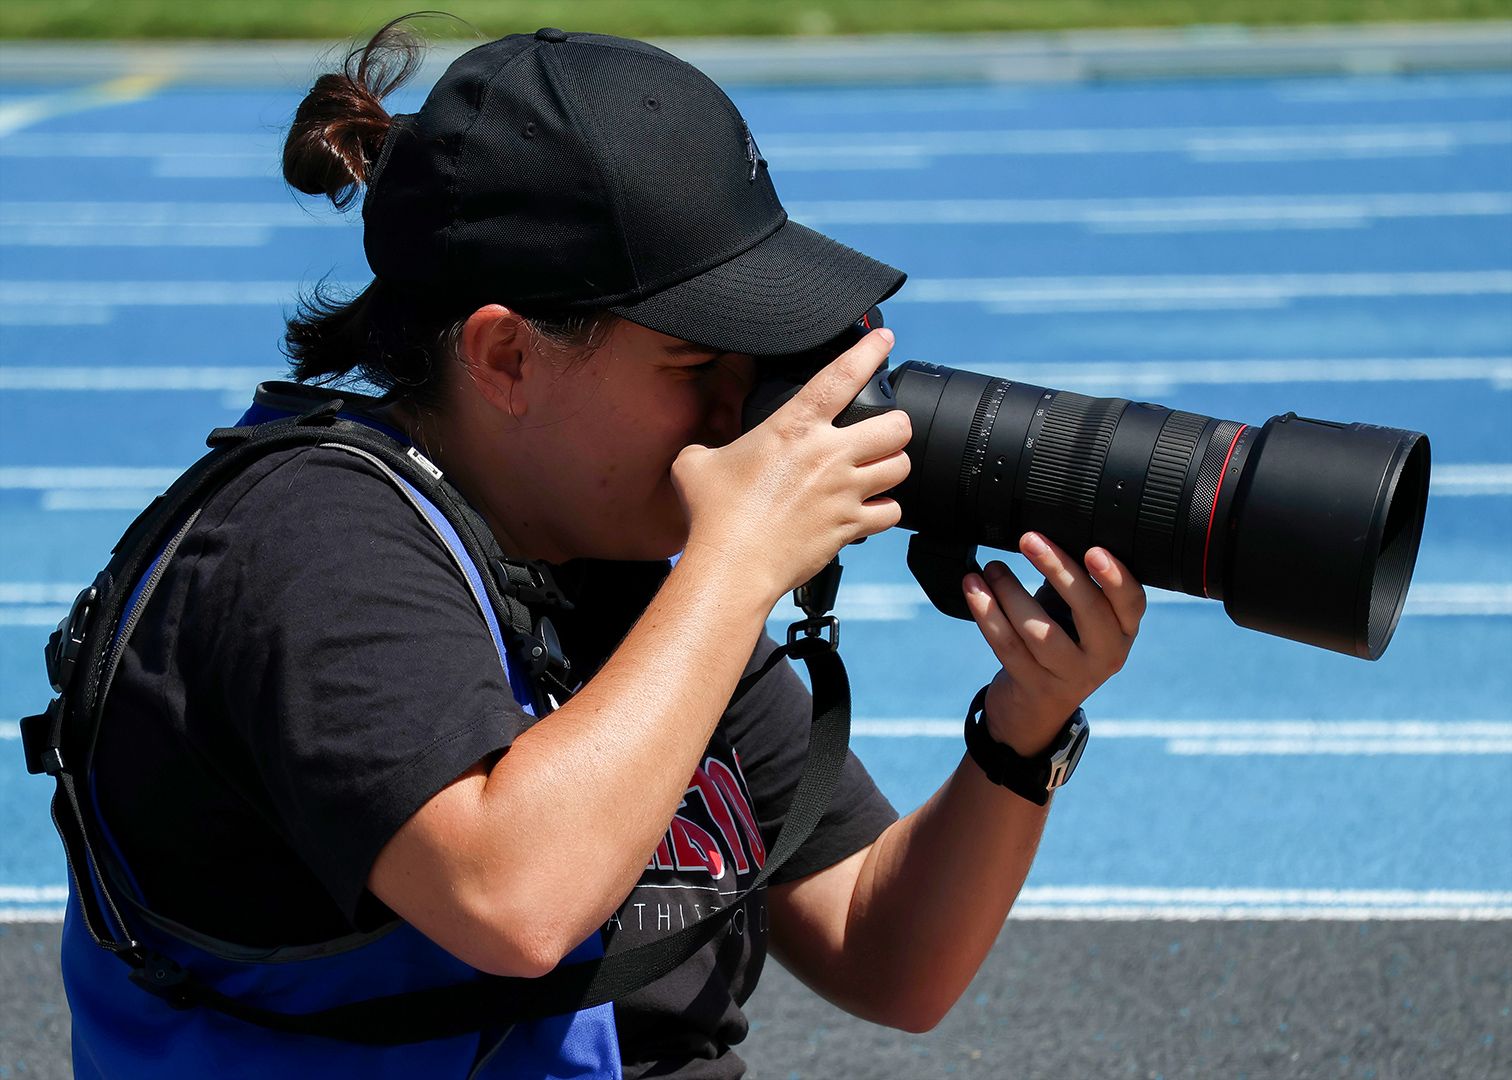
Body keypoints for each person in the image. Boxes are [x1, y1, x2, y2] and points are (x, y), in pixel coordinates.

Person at [61, 18, 1146, 1079]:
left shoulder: (618, 573)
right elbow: (511, 899)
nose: (745, 409)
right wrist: (734, 569)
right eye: (693, 363)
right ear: (506, 357)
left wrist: (1021, 730)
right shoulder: (308, 544)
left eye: (756, 355)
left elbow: (887, 954)